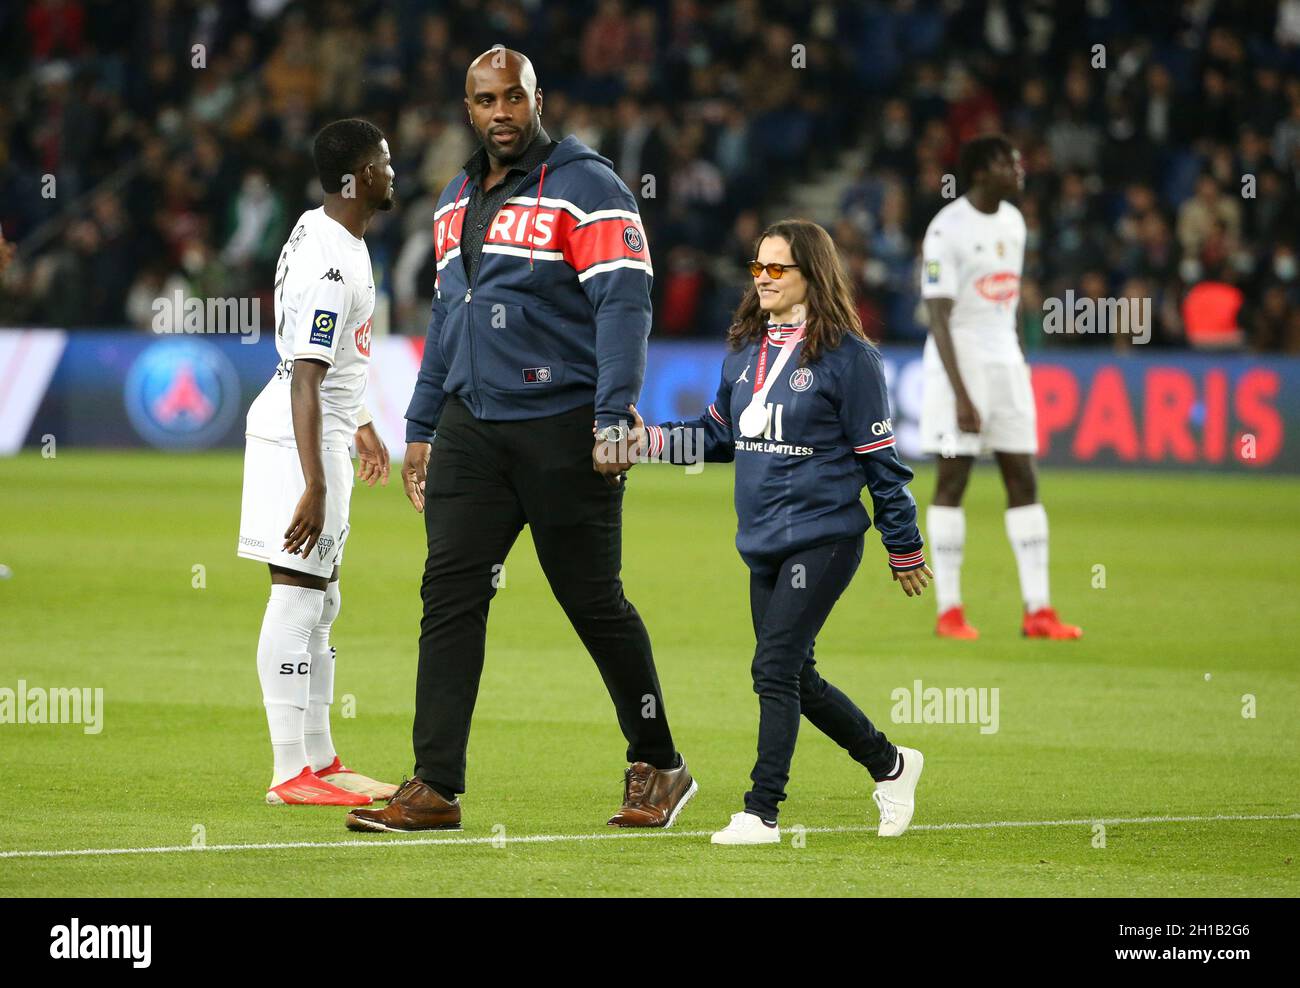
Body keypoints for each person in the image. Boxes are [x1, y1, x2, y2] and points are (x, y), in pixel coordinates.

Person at [345, 49, 694, 834]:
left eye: (512, 97)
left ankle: (660, 763)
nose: (499, 112)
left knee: (592, 603)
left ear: (538, 100)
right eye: (483, 100)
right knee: (450, 593)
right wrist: (422, 424)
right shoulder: (455, 197)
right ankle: (436, 784)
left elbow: (624, 306)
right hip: (471, 429)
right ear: (466, 108)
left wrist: (614, 414)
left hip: (565, 426)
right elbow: (445, 318)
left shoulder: (589, 186)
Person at [630, 219, 931, 845]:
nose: (762, 279)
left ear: (811, 275)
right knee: (795, 675)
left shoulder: (851, 359)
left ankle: (761, 811)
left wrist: (902, 545)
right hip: (762, 538)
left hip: (825, 536)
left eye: (777, 269)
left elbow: (882, 465)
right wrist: (649, 440)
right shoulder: (744, 347)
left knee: (771, 667)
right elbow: (718, 436)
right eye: (757, 268)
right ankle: (891, 765)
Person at [237, 119, 397, 806]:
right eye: (383, 162)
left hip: (325, 426)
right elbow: (306, 374)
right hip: (299, 436)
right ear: (356, 178)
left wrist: (361, 422)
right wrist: (315, 481)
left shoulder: (329, 231)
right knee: (298, 595)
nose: (393, 170)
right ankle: (286, 772)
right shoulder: (334, 261)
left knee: (322, 598)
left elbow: (332, 364)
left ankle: (320, 758)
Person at [920, 135, 1082, 640]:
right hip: (958, 361)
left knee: (1024, 477)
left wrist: (1020, 362)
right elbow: (939, 316)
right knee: (953, 479)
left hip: (1005, 362)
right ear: (981, 170)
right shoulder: (946, 229)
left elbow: (1006, 304)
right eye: (1008, 162)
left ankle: (1038, 609)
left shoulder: (1014, 222)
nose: (1019, 168)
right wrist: (963, 393)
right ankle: (949, 610)